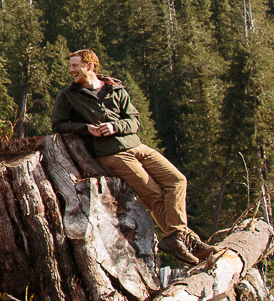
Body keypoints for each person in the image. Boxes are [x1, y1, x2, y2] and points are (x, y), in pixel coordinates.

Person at [52, 49, 199, 260]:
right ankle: (185, 241)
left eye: (75, 65)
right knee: (153, 194)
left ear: (90, 66)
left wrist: (114, 126)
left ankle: (178, 236)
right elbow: (58, 124)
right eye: (71, 66)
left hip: (137, 147)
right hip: (111, 155)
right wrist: (86, 128)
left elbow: (134, 121)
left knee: (177, 180)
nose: (71, 70)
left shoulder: (115, 89)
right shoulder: (68, 96)